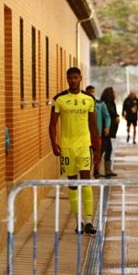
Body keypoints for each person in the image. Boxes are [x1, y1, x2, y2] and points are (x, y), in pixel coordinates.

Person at [49, 67, 99, 235]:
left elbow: (93, 124)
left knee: (86, 181)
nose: (72, 80)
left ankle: (89, 221)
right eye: (70, 78)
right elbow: (52, 124)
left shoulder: (89, 99)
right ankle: (78, 221)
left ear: (80, 78)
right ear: (66, 79)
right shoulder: (60, 99)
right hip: (67, 147)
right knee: (72, 183)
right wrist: (53, 143)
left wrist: (96, 147)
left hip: (84, 146)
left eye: (75, 78)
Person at [86, 85, 111, 178]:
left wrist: (107, 127)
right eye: (89, 91)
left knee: (97, 154)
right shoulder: (83, 104)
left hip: (97, 135)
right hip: (85, 135)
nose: (91, 93)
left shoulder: (100, 104)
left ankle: (96, 171)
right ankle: (87, 171)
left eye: (92, 91)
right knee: (87, 155)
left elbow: (107, 116)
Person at [100, 87, 120, 177]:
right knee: (102, 150)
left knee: (108, 150)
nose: (115, 94)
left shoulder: (111, 103)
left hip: (108, 132)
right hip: (105, 131)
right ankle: (97, 171)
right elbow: (108, 113)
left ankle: (108, 170)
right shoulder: (107, 103)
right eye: (114, 92)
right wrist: (116, 115)